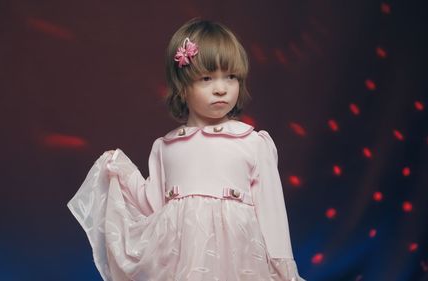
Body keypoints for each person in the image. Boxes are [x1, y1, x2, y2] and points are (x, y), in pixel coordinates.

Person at [67, 18, 306, 281]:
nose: (221, 89)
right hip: (178, 266)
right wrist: (121, 174)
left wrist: (284, 271)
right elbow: (152, 210)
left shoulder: (252, 142)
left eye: (231, 77)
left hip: (239, 264)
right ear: (182, 87)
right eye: (207, 78)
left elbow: (273, 216)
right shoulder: (166, 147)